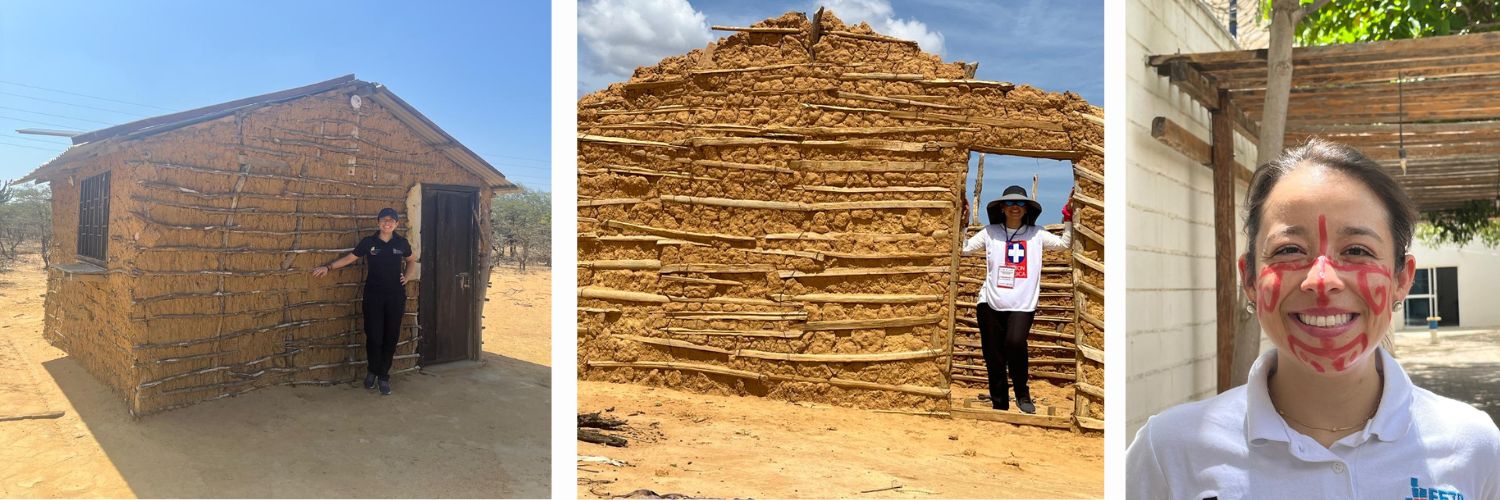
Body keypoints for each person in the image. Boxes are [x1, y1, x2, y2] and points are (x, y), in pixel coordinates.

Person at [1125, 139, 1500, 498]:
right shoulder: (1169, 453)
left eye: (1356, 250)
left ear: (1402, 279)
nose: (1322, 281)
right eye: (1289, 250)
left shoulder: (1474, 447)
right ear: (1250, 279)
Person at [960, 185, 1072, 414]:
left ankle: (1022, 393)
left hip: (1023, 303)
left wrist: (1068, 214)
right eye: (1010, 203)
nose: (1014, 208)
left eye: (1020, 203)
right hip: (990, 302)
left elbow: (1064, 244)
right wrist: (962, 222)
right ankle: (999, 403)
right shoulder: (990, 232)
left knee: (1015, 343)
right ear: (1002, 207)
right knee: (993, 355)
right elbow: (964, 249)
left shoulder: (1036, 234)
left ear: (1026, 208)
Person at [312, 207, 416, 396]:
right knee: (374, 336)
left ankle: (383, 376)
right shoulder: (369, 243)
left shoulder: (402, 243)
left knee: (391, 337)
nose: (387, 223)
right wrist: (328, 267)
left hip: (395, 296)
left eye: (391, 220)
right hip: (373, 296)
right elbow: (350, 258)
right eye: (384, 220)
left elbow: (412, 260)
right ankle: (372, 371)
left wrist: (407, 278)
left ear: (396, 224)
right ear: (378, 222)